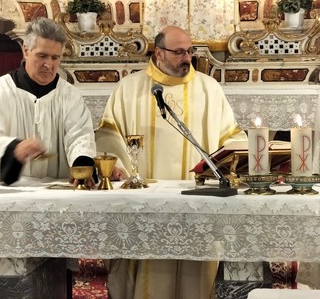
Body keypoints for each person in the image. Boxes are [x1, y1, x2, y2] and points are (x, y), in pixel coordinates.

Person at [95, 26, 247, 299]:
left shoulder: (209, 88)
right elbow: (108, 135)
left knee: (195, 275)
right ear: (158, 54)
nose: (186, 57)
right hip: (144, 206)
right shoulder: (129, 88)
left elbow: (231, 138)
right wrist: (115, 167)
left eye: (189, 51)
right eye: (178, 52)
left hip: (199, 202)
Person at [0, 17, 97, 187]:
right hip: (11, 191)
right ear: (26, 50)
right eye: (42, 56)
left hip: (58, 189)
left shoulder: (69, 95)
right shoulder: (2, 90)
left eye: (55, 58)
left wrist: (82, 164)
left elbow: (80, 135)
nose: (49, 65)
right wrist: (14, 148)